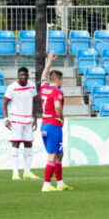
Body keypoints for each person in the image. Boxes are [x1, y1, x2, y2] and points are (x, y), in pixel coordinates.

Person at [39, 52, 70, 192]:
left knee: (59, 154)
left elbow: (43, 77)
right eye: (61, 80)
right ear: (58, 80)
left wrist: (49, 62)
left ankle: (60, 183)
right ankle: (46, 185)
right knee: (53, 155)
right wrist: (61, 119)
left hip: (44, 125)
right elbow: (57, 106)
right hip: (54, 125)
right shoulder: (57, 91)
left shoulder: (44, 88)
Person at [3, 66, 39, 180]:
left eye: (25, 75)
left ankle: (27, 171)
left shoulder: (32, 85)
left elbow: (34, 102)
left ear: (28, 75)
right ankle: (15, 173)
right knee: (16, 144)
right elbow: (4, 103)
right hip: (16, 119)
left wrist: (35, 119)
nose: (24, 77)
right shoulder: (12, 88)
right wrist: (6, 119)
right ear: (18, 76)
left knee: (28, 144)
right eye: (21, 75)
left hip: (28, 119)